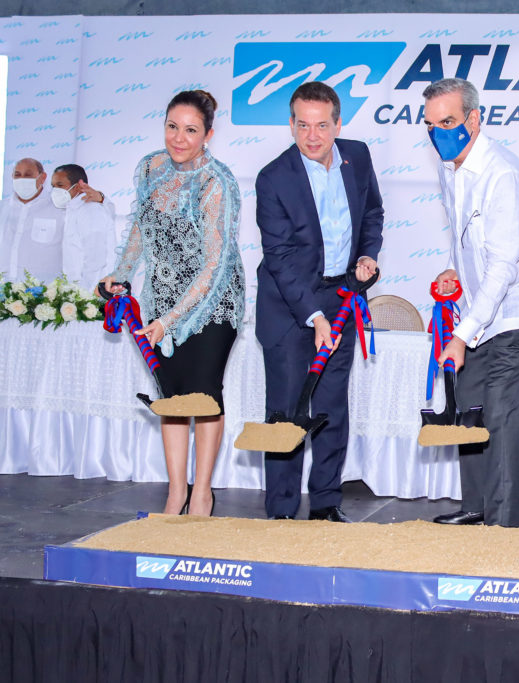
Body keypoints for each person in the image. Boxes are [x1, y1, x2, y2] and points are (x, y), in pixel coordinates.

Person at [101, 90, 245, 517]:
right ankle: (175, 493)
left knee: (202, 394)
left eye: (191, 130)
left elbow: (215, 264)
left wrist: (170, 320)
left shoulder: (217, 182)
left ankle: (202, 494)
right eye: (172, 127)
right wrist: (121, 275)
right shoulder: (150, 167)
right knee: (172, 395)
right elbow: (140, 230)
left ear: (208, 135)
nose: (179, 138)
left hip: (213, 302)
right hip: (161, 300)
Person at [423, 78, 519, 528]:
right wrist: (453, 269)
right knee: (468, 404)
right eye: (431, 125)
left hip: (517, 310)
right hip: (480, 309)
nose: (438, 133)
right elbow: (465, 239)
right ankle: (476, 507)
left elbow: (502, 265)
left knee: (497, 409)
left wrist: (461, 336)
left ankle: (502, 526)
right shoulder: (449, 168)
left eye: (448, 122)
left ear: (474, 119)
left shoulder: (503, 175)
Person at [255, 81, 383, 522]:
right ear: (291, 124)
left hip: (341, 298)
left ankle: (326, 503)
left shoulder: (358, 156)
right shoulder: (273, 178)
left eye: (322, 125)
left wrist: (366, 255)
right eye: (303, 125)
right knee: (287, 411)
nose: (312, 136)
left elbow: (372, 213)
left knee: (331, 407)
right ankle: (281, 512)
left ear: (338, 124)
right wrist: (313, 316)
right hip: (289, 309)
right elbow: (279, 256)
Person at [1, 158, 65, 282]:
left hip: (43, 290)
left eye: (28, 175)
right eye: (17, 175)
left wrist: (100, 198)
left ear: (43, 177)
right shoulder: (3, 208)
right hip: (3, 287)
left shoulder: (60, 208)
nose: (22, 179)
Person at [53, 163, 117, 287]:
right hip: (75, 290)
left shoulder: (90, 209)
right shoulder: (71, 209)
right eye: (53, 186)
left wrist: (86, 292)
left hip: (89, 291)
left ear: (78, 186)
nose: (55, 190)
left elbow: (96, 260)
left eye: (60, 185)